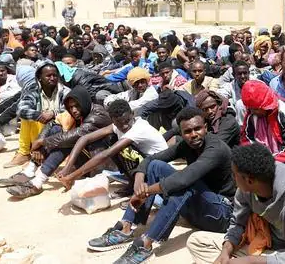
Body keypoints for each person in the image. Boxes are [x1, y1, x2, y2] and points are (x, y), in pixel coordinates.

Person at [86, 107, 235, 264]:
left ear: (205, 127)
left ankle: (146, 244)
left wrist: (146, 192)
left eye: (198, 129)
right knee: (156, 165)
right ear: (182, 134)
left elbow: (184, 179)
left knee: (183, 183)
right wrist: (138, 182)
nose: (193, 135)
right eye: (188, 131)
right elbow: (151, 159)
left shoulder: (216, 148)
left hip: (221, 214)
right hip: (198, 208)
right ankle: (126, 226)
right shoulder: (186, 145)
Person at [186, 143, 285, 264]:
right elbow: (237, 224)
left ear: (250, 180)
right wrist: (226, 251)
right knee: (196, 241)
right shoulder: (245, 190)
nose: (233, 178)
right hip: (262, 245)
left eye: (235, 175)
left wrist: (251, 261)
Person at [2, 86, 112, 198]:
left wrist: (42, 142)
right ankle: (31, 170)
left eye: (76, 106)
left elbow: (73, 137)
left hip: (102, 163)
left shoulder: (97, 115)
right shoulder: (80, 111)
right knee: (57, 129)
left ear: (84, 102)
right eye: (71, 107)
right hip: (86, 156)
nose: (74, 110)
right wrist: (39, 145)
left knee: (68, 139)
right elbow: (52, 123)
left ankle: (38, 181)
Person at [57, 100, 170, 190]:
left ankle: (138, 185)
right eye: (119, 123)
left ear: (132, 114)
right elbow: (85, 138)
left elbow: (106, 154)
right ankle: (132, 181)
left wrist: (72, 177)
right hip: (145, 161)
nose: (124, 126)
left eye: (127, 120)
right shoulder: (118, 124)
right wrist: (66, 168)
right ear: (113, 120)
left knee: (122, 148)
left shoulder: (138, 129)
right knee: (110, 139)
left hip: (159, 166)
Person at [5, 62, 71, 168]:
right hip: (41, 128)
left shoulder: (65, 91)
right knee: (27, 117)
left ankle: (42, 154)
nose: (52, 78)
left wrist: (53, 114)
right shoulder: (33, 90)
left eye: (54, 75)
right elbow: (21, 109)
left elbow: (71, 110)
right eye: (48, 76)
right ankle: (24, 153)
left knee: (53, 119)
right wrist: (39, 115)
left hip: (61, 128)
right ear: (40, 78)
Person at [166, 90, 240, 148]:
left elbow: (215, 145)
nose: (210, 111)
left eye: (212, 106)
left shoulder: (228, 121)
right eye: (205, 109)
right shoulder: (204, 118)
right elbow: (176, 130)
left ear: (219, 104)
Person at [216, 60, 249, 125]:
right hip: (240, 116)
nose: (243, 76)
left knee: (240, 104)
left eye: (245, 73)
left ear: (249, 73)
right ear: (234, 75)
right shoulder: (231, 86)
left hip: (256, 114)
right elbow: (218, 94)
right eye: (239, 74)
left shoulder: (257, 83)